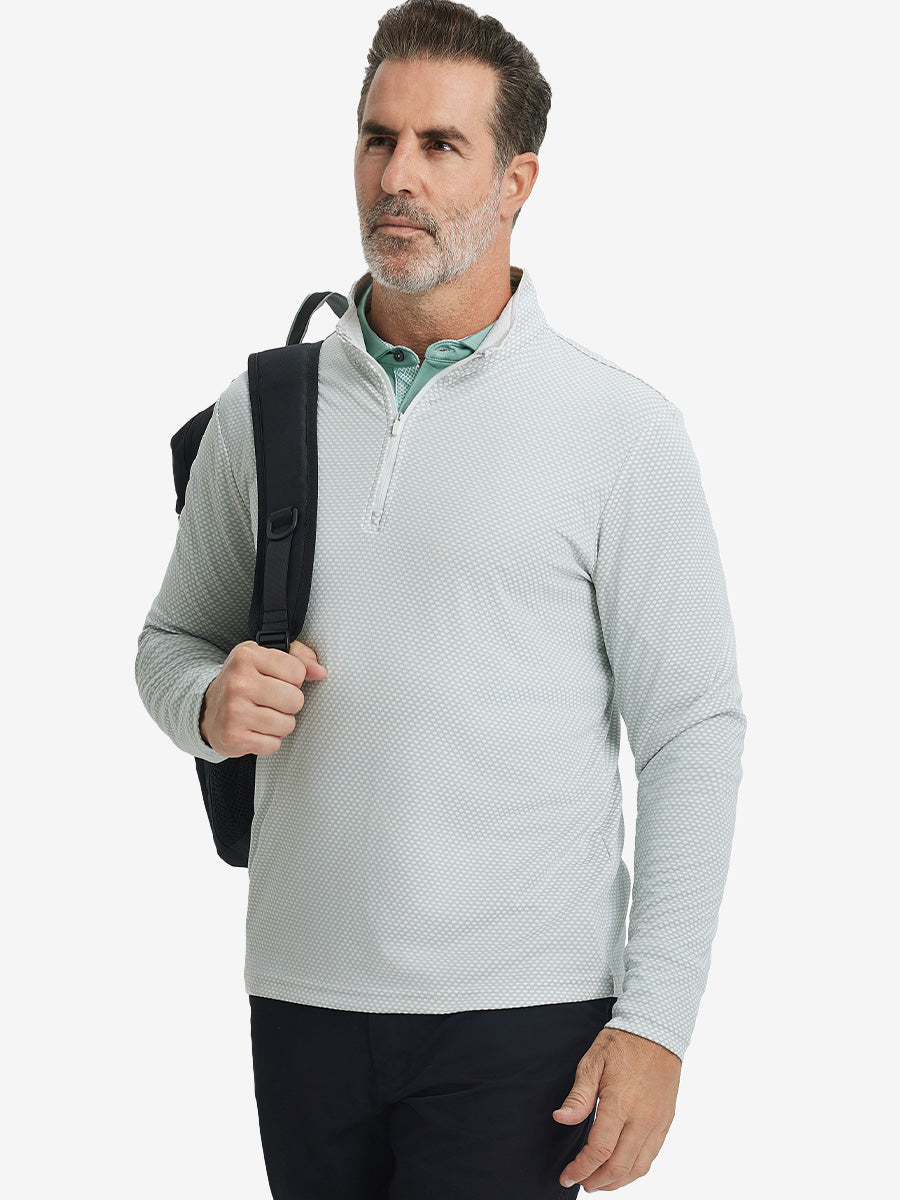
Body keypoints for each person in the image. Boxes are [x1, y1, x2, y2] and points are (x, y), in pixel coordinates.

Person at [134, 1, 747, 1196]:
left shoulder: (618, 429)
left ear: (518, 181)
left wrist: (659, 1023)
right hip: (301, 1000)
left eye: (440, 145)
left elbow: (694, 732)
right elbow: (171, 640)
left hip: (525, 1020)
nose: (396, 177)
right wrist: (210, 703)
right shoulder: (265, 408)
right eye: (378, 139)